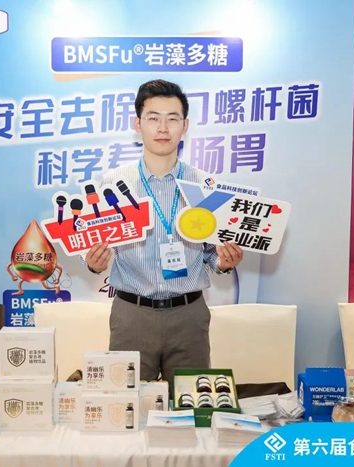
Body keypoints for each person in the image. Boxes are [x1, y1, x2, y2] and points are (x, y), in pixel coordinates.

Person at [85, 79, 244, 387]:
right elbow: (93, 247)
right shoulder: (113, 183)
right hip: (132, 315)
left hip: (189, 315)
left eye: (172, 119)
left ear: (185, 126)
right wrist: (93, 262)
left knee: (192, 405)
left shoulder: (204, 185)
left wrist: (224, 262)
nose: (162, 128)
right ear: (138, 124)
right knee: (125, 404)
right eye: (153, 118)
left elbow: (211, 254)